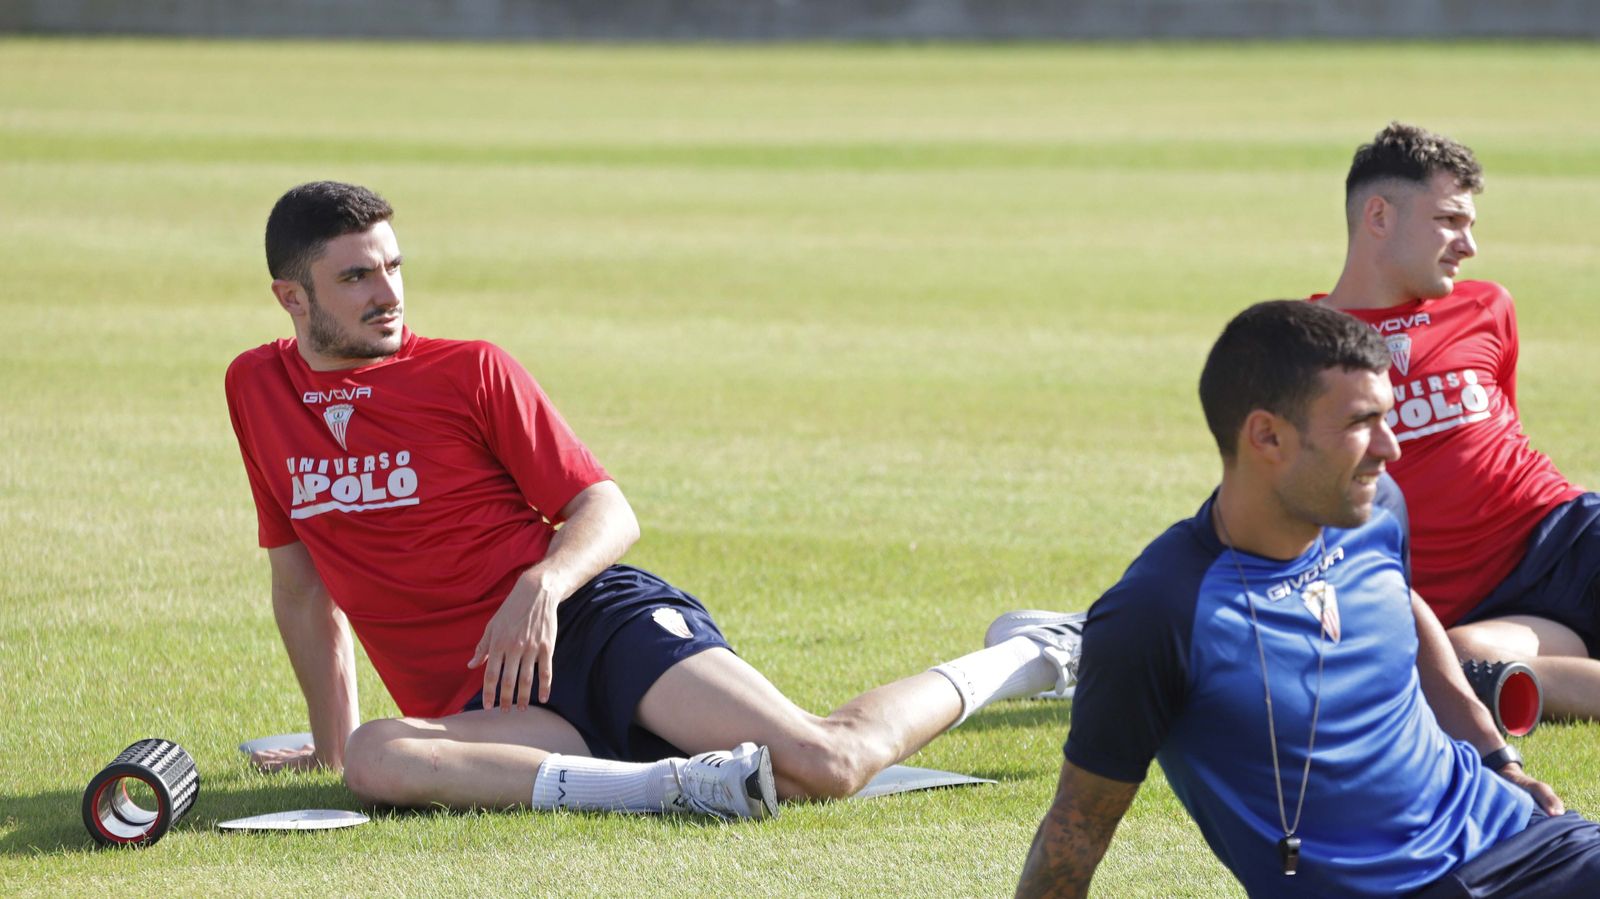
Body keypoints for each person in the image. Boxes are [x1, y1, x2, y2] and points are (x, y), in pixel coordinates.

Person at [225, 180, 1085, 820]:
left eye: (394, 266)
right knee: (376, 758)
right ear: (292, 297)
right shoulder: (253, 387)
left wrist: (542, 585)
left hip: (594, 629)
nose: (389, 293)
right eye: (355, 278)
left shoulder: (469, 367)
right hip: (493, 705)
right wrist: (331, 746)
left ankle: (1034, 655)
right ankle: (676, 788)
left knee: (825, 760)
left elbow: (608, 509)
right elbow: (302, 585)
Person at [1014, 301, 1600, 897]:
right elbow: (1075, 832)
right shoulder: (1159, 614)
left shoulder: (1376, 509)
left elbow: (1405, 612)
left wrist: (1496, 758)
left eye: (1387, 417)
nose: (1390, 448)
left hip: (1524, 837)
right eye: (1359, 424)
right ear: (1267, 435)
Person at [1314, 122, 1600, 720]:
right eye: (1449, 221)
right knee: (1465, 664)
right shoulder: (1299, 343)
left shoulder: (1487, 305)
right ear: (1379, 216)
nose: (1467, 245)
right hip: (1483, 615)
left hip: (1571, 539)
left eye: (1470, 225)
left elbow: (1503, 440)